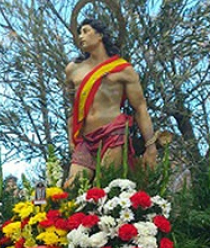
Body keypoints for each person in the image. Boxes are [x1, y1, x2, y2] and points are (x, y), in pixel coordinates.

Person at [64, 18, 155, 187]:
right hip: (85, 138)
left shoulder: (124, 69)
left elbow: (140, 108)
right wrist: (71, 139)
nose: (80, 37)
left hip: (112, 134)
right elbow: (73, 109)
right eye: (78, 33)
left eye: (85, 31)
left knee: (104, 186)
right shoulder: (73, 70)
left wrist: (151, 147)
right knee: (72, 187)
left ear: (100, 35)